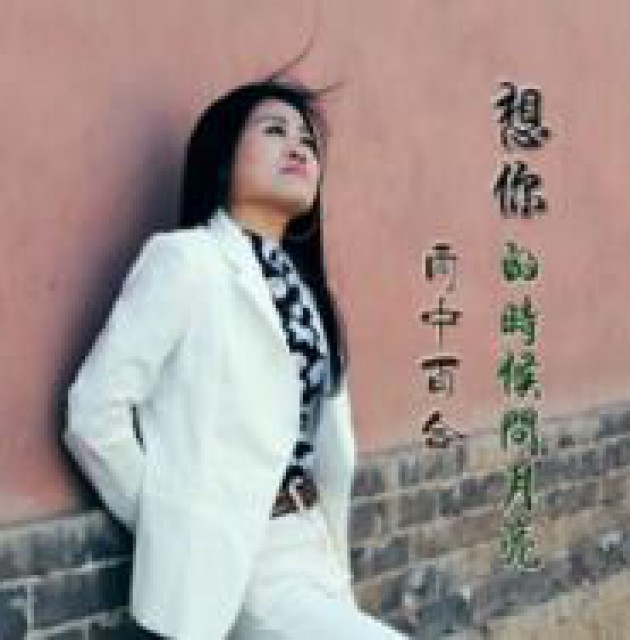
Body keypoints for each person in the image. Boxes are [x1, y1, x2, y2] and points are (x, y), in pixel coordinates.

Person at [63, 64, 410, 640]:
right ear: (224, 159)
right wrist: (177, 525)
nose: (298, 147)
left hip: (312, 546)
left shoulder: (308, 292)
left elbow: (326, 442)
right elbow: (94, 411)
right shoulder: (186, 260)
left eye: (307, 142)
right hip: (237, 555)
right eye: (274, 131)